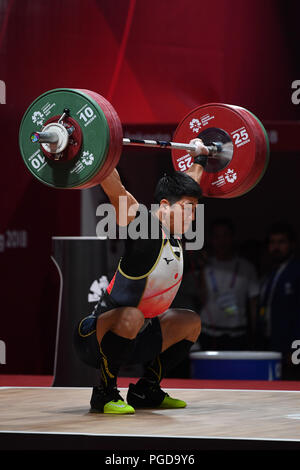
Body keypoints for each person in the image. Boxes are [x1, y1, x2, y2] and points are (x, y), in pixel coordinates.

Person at [73, 142, 208, 414]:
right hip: (94, 338)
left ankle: (146, 389)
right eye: (188, 209)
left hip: (138, 337)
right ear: (164, 206)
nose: (193, 216)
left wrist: (200, 158)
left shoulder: (175, 231)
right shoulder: (144, 229)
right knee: (132, 315)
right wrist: (100, 153)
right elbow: (117, 191)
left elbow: (189, 183)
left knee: (190, 322)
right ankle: (104, 392)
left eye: (195, 209)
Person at [197, 218, 259, 351]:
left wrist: (255, 333)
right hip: (208, 333)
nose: (222, 241)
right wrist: (201, 269)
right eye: (217, 236)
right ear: (211, 240)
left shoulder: (246, 267)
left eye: (226, 235)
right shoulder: (205, 267)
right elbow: (200, 299)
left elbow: (254, 303)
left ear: (232, 237)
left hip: (237, 334)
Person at [258, 222, 300, 379]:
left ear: (292, 244)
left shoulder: (296, 272)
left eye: (281, 242)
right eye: (273, 242)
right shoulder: (270, 274)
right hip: (271, 342)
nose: (276, 247)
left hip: (291, 345)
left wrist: (297, 348)